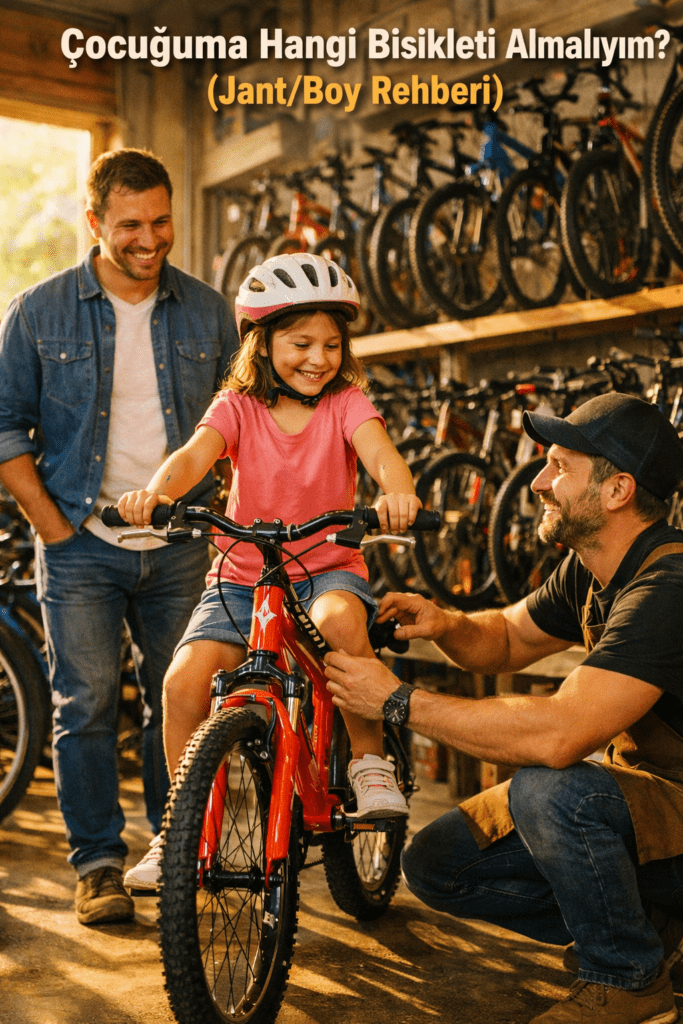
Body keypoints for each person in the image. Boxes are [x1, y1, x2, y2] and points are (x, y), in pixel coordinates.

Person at [324, 391, 683, 1024]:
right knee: (436, 864)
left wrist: (398, 701)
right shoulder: (594, 568)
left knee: (551, 789)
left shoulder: (667, 586)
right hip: (657, 803)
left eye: (560, 467)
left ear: (618, 489)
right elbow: (510, 638)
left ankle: (628, 976)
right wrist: (445, 623)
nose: (539, 483)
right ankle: (651, 928)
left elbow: (558, 735)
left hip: (673, 805)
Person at [116, 252, 422, 890]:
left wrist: (398, 492)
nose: (318, 358)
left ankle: (367, 764)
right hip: (240, 575)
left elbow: (384, 457)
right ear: (262, 342)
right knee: (182, 683)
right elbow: (191, 458)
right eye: (300, 342)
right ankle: (181, 829)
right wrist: (153, 493)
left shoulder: (347, 404)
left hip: (325, 568)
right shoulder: (238, 406)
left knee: (342, 626)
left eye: (331, 344)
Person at [0, 148, 238, 926]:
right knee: (87, 705)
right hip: (80, 547)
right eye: (130, 224)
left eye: (161, 221)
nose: (149, 238)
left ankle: (175, 852)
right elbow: (4, 426)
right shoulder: (39, 311)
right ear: (95, 221)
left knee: (184, 701)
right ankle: (98, 864)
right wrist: (52, 527)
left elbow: (243, 424)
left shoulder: (208, 311)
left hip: (181, 547)